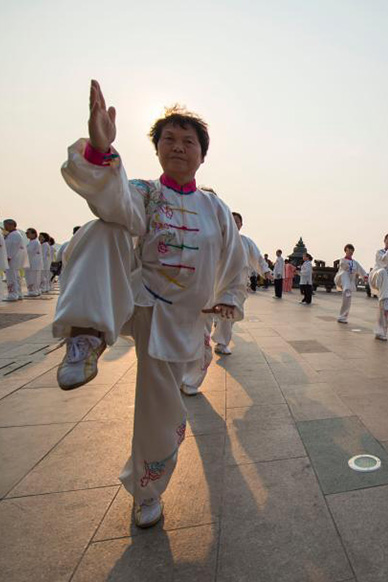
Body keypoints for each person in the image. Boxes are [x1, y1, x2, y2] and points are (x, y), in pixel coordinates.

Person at [52, 80, 245, 527]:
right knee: (102, 227)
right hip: (135, 302)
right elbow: (112, 199)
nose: (179, 147)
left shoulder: (215, 207)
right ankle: (86, 336)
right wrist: (101, 150)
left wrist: (228, 298)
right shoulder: (144, 192)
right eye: (169, 140)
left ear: (202, 153)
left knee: (159, 413)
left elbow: (234, 259)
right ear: (156, 148)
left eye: (188, 141)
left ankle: (147, 491)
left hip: (181, 322)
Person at [210, 212, 270, 357]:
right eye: (232, 220)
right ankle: (222, 343)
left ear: (241, 225)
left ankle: (221, 329)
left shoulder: (246, 241)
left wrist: (266, 271)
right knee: (228, 311)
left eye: (238, 221)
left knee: (232, 313)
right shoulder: (220, 238)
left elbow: (257, 257)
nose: (235, 223)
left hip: (239, 284)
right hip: (222, 282)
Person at [335, 244, 367, 323]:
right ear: (345, 251)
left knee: (347, 300)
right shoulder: (342, 260)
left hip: (349, 282)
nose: (350, 252)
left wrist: (365, 276)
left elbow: (361, 270)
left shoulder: (355, 262)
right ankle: (347, 288)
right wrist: (352, 270)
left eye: (352, 251)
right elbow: (343, 266)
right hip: (341, 279)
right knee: (344, 274)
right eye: (349, 250)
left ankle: (343, 317)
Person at [3, 219, 28, 302]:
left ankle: (12, 294)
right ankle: (18, 293)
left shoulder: (14, 235)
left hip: (12, 259)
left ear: (12, 225)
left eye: (6, 225)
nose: (5, 227)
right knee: (15, 277)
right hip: (14, 259)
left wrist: (8, 257)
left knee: (11, 277)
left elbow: (11, 247)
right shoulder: (13, 234)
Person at [25, 228, 43, 298]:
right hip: (33, 263)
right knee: (35, 278)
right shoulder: (32, 242)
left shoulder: (34, 242)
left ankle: (33, 291)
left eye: (28, 233)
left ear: (34, 234)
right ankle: (35, 290)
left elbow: (29, 252)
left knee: (32, 278)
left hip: (33, 263)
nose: (27, 234)